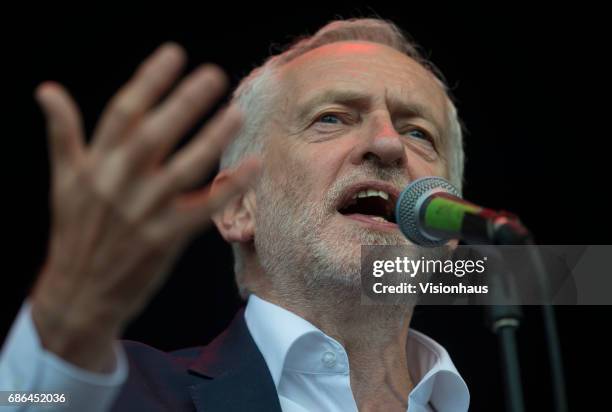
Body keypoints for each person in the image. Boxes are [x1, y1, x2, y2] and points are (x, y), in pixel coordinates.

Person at [0, 18, 470, 411]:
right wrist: (66, 324)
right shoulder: (122, 393)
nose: (388, 144)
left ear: (448, 229)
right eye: (331, 117)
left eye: (418, 133)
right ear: (238, 207)